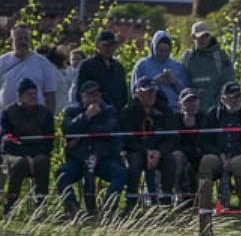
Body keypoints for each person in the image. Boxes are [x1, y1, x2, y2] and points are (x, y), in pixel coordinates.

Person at [56, 80, 128, 215]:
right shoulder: (71, 111)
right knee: (62, 174)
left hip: (102, 159)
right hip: (78, 159)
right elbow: (68, 130)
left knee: (121, 173)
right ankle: (74, 210)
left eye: (97, 95)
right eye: (90, 95)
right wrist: (86, 116)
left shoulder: (109, 111)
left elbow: (108, 130)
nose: (94, 98)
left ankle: (108, 208)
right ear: (82, 96)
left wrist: (82, 135)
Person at [119, 75, 179, 209]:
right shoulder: (128, 111)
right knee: (134, 162)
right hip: (137, 151)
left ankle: (166, 201)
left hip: (159, 151)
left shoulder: (165, 110)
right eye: (147, 91)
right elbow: (128, 139)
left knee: (170, 160)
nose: (152, 94)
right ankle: (132, 203)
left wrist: (159, 152)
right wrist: (146, 152)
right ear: (138, 93)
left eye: (154, 91)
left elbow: (171, 137)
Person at [199, 81, 241, 208]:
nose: (236, 100)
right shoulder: (212, 114)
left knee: (238, 163)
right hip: (218, 154)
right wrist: (219, 153)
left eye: (239, 96)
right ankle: (205, 203)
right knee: (206, 161)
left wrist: (232, 156)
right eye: (232, 97)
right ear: (223, 99)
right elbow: (205, 140)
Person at [1, 77, 54, 213]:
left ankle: (41, 207)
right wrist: (25, 154)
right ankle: (10, 206)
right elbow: (7, 140)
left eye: (34, 94)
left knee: (42, 162)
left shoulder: (45, 114)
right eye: (29, 94)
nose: (33, 97)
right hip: (15, 153)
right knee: (19, 163)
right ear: (20, 96)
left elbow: (49, 141)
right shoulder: (8, 114)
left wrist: (33, 154)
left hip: (38, 152)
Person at [0, 24, 61, 111]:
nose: (23, 42)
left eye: (26, 38)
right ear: (12, 41)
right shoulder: (2, 62)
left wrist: (49, 119)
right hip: (6, 119)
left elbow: (50, 95)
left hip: (35, 119)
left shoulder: (43, 63)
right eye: (19, 39)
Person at [182, 21, 236, 106]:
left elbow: (229, 79)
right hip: (194, 110)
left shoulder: (220, 55)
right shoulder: (188, 57)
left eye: (206, 36)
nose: (203, 39)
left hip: (216, 109)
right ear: (193, 37)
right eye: (200, 36)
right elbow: (184, 82)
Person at [131, 31, 190, 109]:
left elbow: (187, 92)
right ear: (154, 48)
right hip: (151, 111)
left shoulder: (178, 67)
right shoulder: (142, 65)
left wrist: (175, 82)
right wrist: (155, 81)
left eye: (167, 51)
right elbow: (135, 90)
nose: (164, 54)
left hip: (174, 110)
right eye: (161, 50)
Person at [73, 30, 128, 110]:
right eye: (106, 45)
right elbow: (80, 93)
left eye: (112, 45)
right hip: (96, 115)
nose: (110, 48)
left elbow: (123, 94)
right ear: (97, 45)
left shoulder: (118, 67)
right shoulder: (88, 65)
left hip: (117, 115)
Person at [171, 88, 206, 205]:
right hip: (182, 153)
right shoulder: (175, 119)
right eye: (187, 101)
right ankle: (179, 195)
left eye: (193, 101)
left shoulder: (203, 118)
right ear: (181, 104)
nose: (191, 104)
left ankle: (200, 198)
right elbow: (174, 141)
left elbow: (206, 140)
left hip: (199, 153)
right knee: (178, 159)